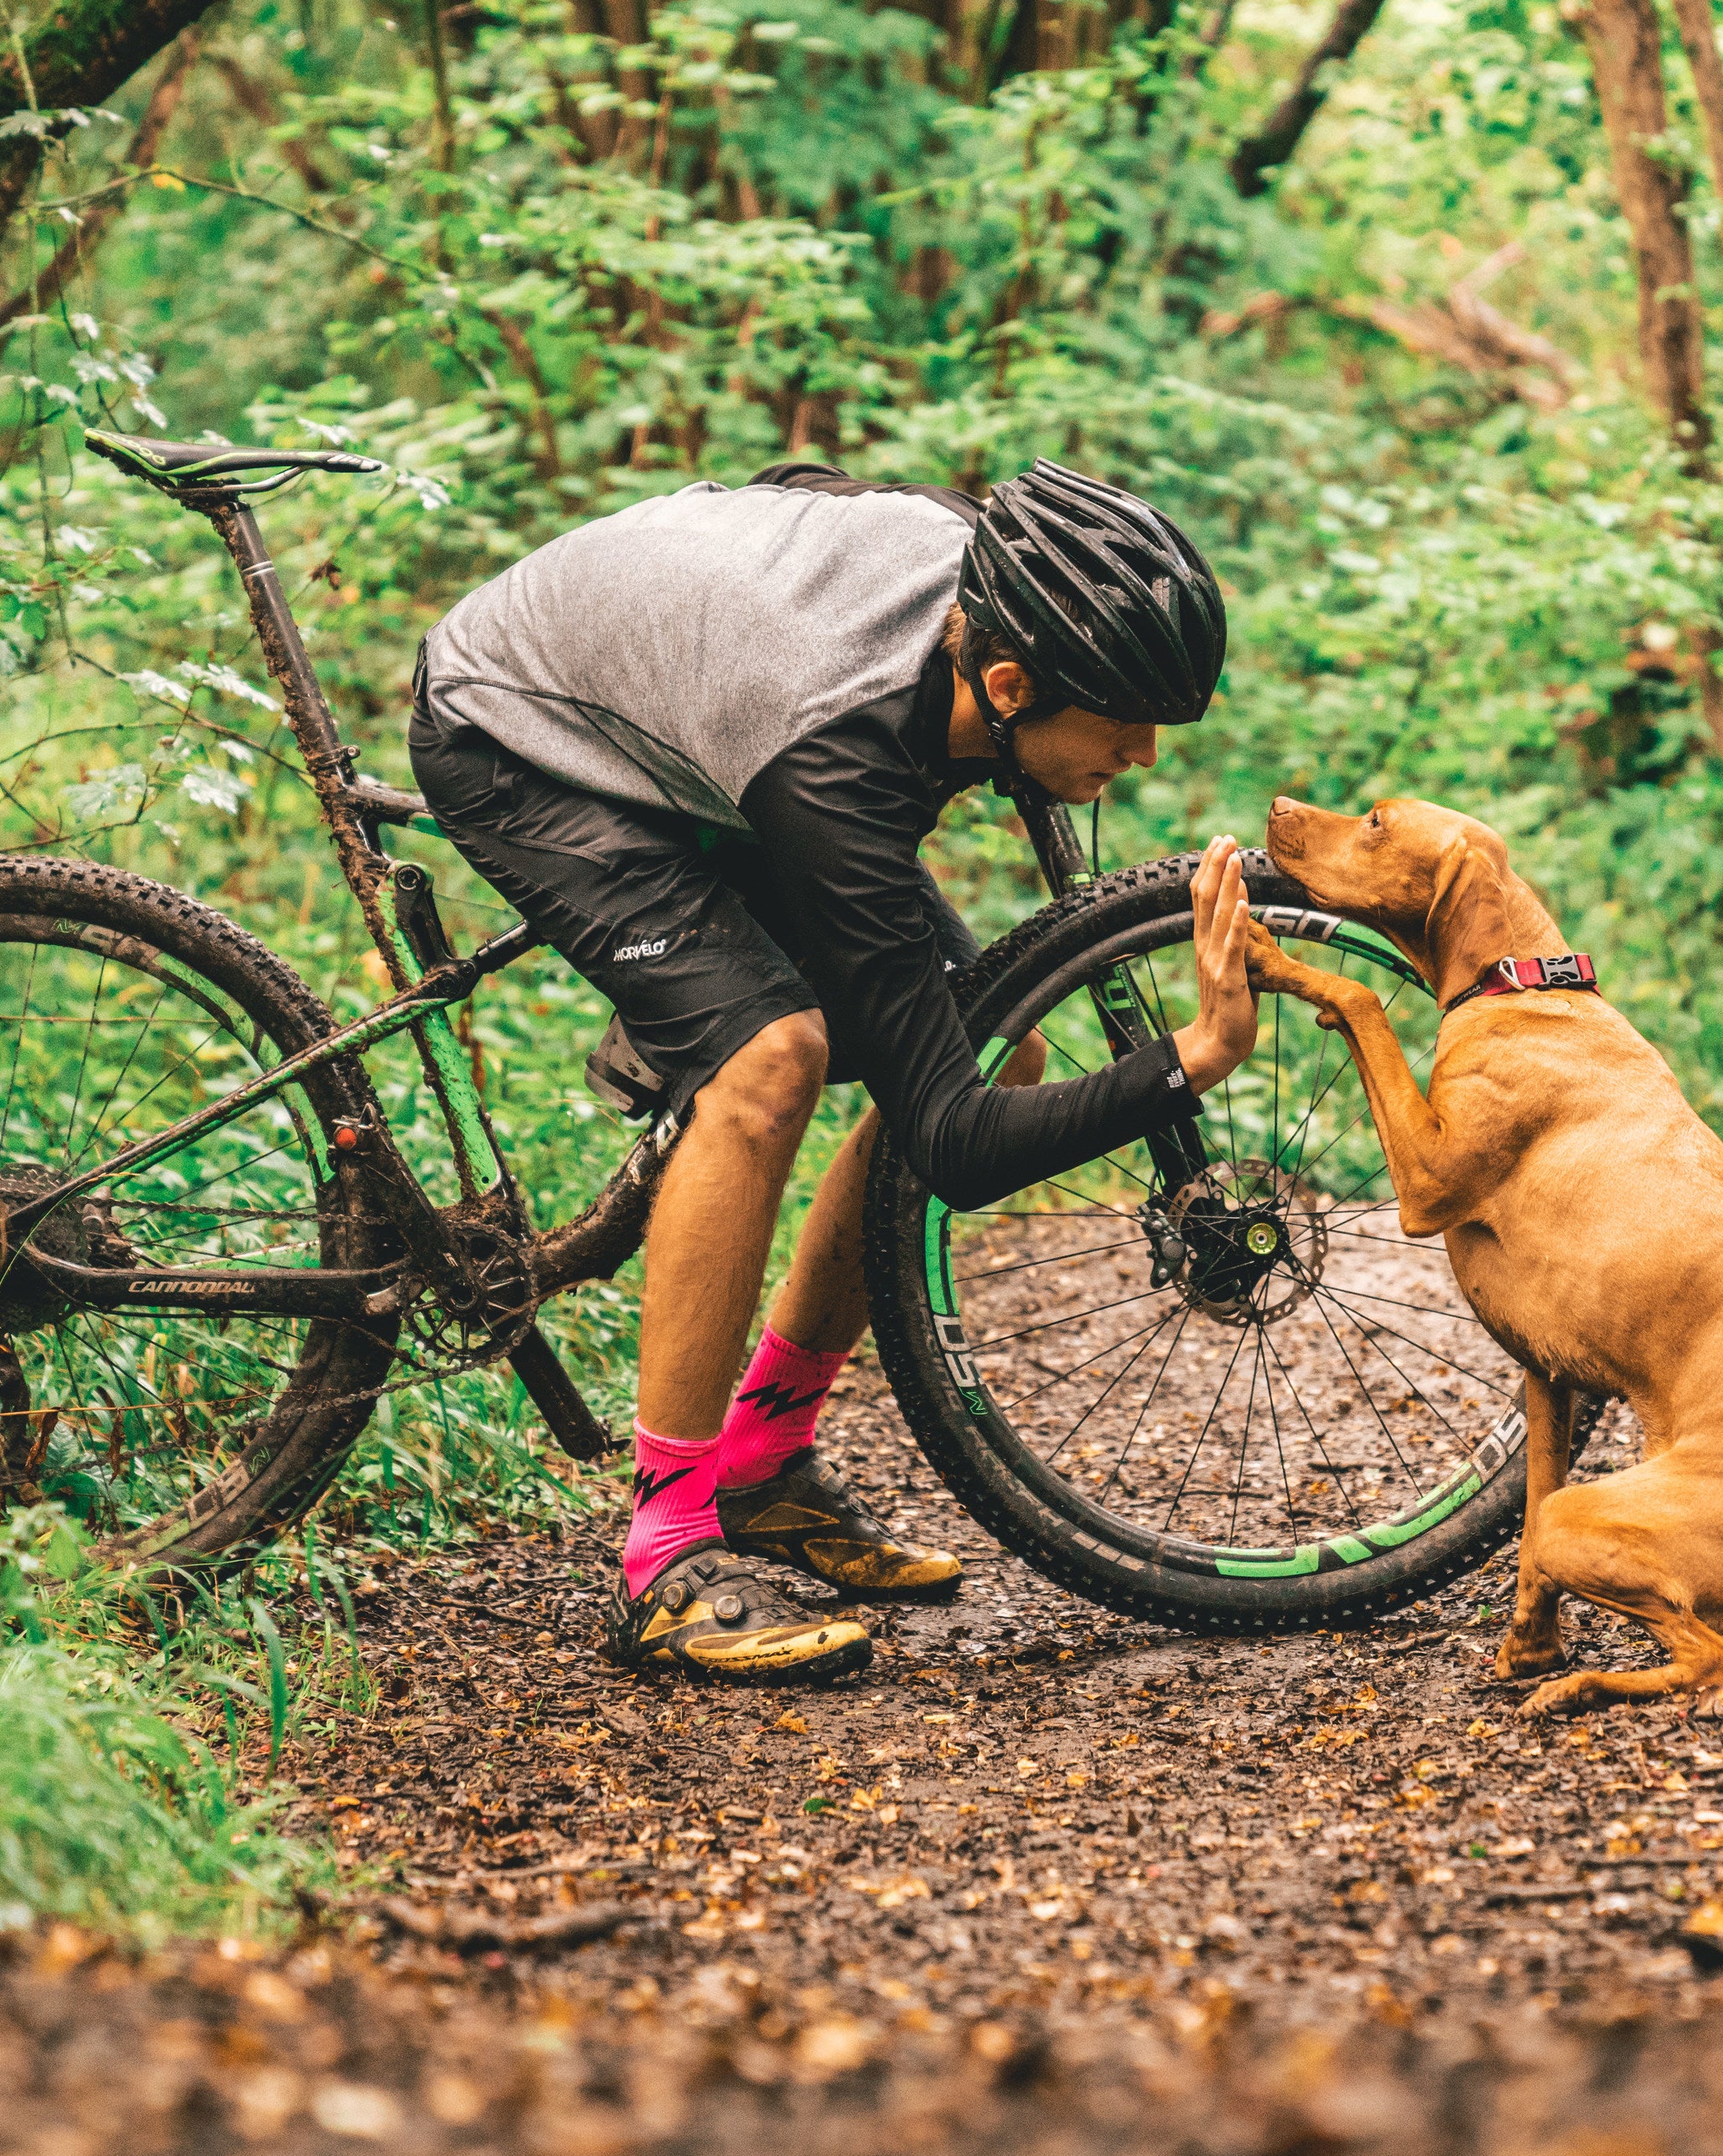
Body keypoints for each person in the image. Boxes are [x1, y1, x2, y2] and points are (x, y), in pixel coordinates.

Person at [408, 459, 1259, 1686]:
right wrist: (1197, 1057)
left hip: (720, 711)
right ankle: (667, 1555)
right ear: (1009, 684)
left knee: (995, 1040)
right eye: (1125, 723)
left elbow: (804, 486)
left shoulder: (993, 600)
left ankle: (762, 1462)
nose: (1142, 754)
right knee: (770, 1059)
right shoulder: (833, 750)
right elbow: (954, 1146)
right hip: (522, 730)